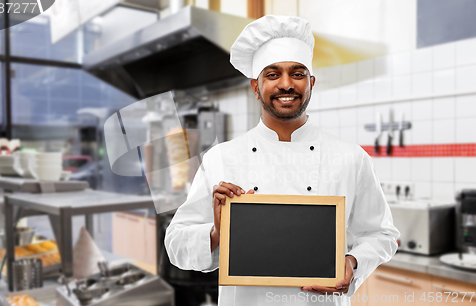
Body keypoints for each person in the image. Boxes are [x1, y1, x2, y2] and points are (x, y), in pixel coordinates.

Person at [165, 15, 400, 306]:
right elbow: (175, 245)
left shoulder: (350, 158)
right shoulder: (222, 158)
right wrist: (216, 233)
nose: (286, 84)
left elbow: (383, 234)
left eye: (298, 73)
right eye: (273, 74)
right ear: (255, 86)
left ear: (311, 82)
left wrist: (353, 262)